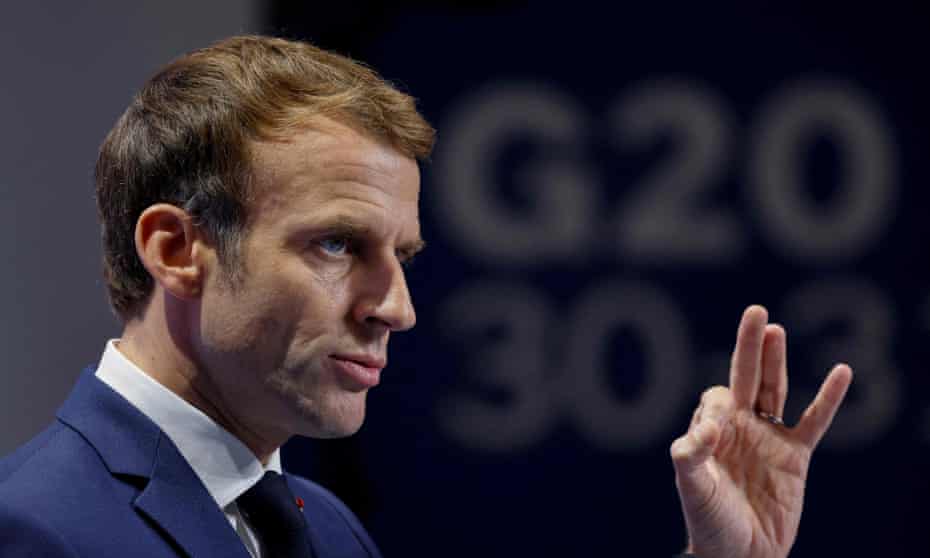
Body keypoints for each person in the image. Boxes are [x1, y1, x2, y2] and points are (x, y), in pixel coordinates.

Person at [0, 35, 852, 558]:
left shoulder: (326, 529)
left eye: (401, 255)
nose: (395, 308)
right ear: (177, 249)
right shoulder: (36, 532)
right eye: (338, 244)